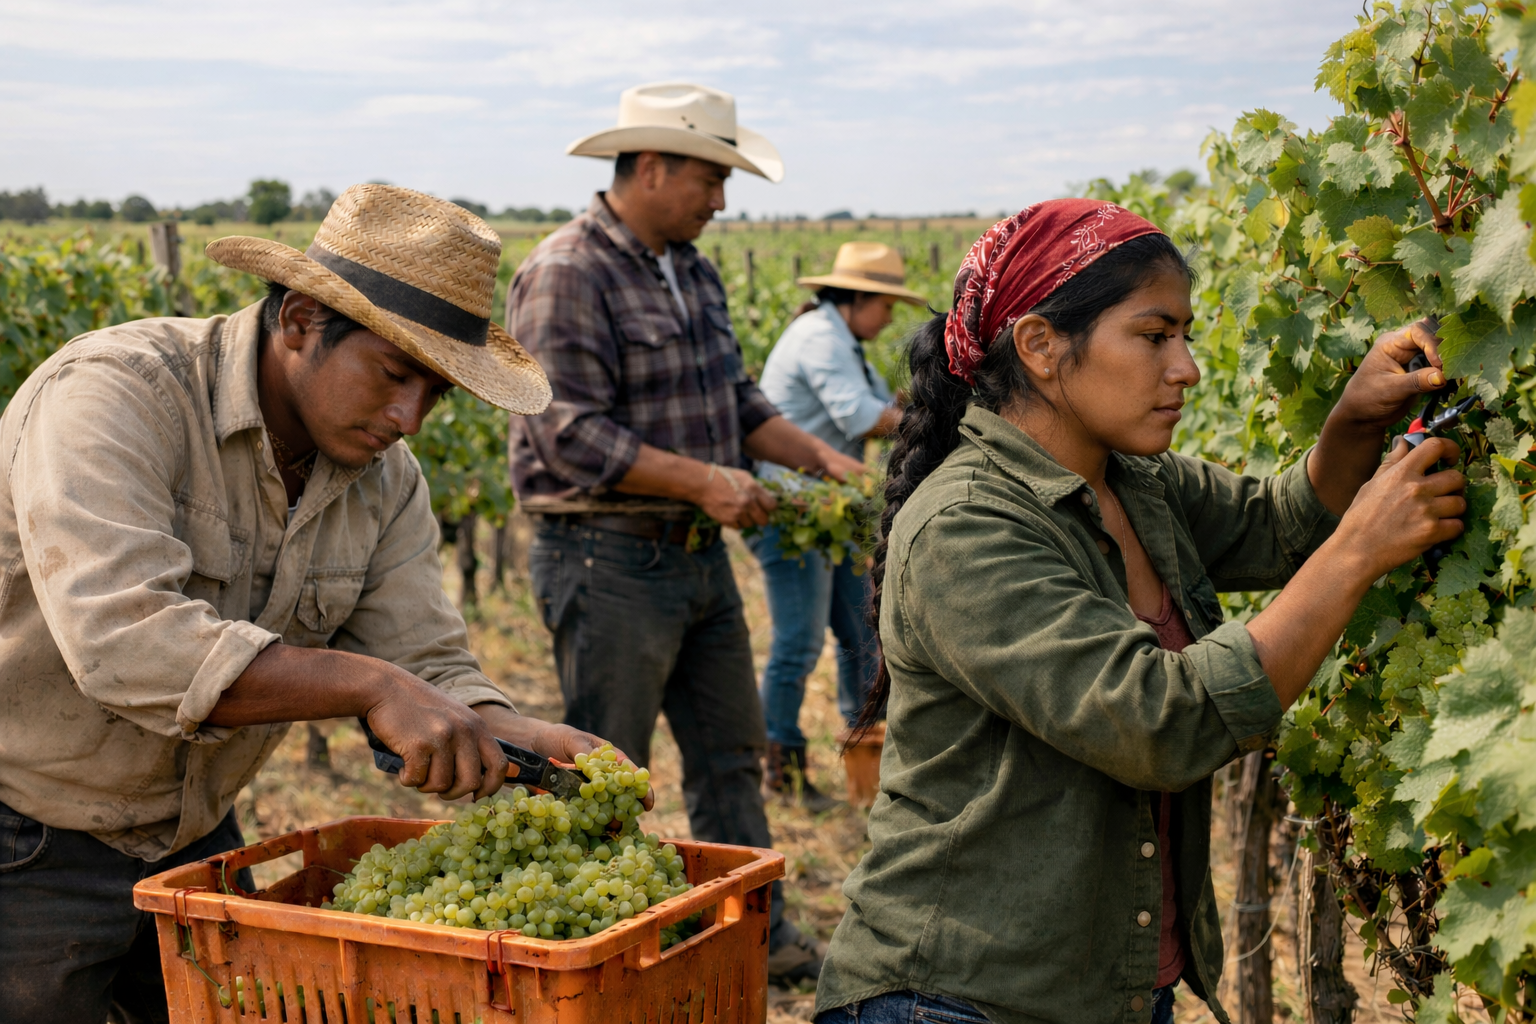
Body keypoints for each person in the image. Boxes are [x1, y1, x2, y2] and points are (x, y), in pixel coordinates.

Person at [812, 200, 1465, 1024]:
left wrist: (1354, 419)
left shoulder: (1134, 482)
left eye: (1184, 336)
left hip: (1106, 992)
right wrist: (1362, 548)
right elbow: (1158, 723)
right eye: (1155, 336)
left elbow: (1280, 523)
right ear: (1042, 346)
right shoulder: (964, 528)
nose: (1187, 367)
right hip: (956, 1000)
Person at [0, 184, 629, 1024]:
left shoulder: (385, 481)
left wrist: (512, 734)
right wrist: (369, 687)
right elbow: (122, 640)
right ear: (299, 320)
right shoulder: (117, 395)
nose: (409, 417)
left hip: (194, 838)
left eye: (435, 393)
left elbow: (425, 665)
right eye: (394, 372)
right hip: (24, 834)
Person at [507, 81, 864, 983]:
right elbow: (568, 430)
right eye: (711, 177)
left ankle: (758, 933)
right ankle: (594, 955)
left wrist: (829, 464)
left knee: (729, 755)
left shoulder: (691, 267)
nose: (721, 199)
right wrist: (708, 482)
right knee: (601, 771)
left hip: (698, 562)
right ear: (653, 166)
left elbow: (736, 401)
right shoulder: (567, 271)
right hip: (607, 559)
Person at [750, 242, 923, 810]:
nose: (892, 317)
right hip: (794, 512)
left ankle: (868, 755)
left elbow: (876, 401)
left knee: (861, 629)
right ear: (858, 298)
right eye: (887, 305)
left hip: (832, 510)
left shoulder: (843, 338)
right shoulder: (822, 338)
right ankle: (781, 769)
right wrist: (935, 421)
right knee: (798, 643)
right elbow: (861, 416)